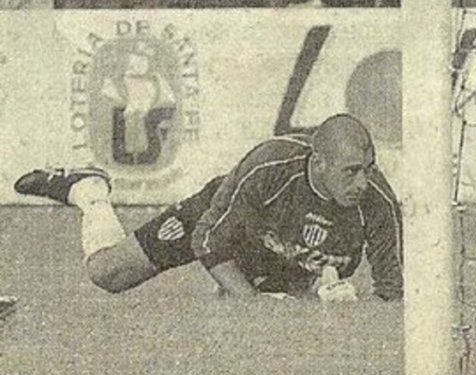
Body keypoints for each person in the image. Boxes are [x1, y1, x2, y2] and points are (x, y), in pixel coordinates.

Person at [13, 114, 403, 301]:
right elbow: (210, 238)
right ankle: (88, 189)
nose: (362, 184)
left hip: (282, 258)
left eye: (368, 170)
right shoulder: (269, 167)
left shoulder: (379, 205)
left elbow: (391, 297)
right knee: (107, 273)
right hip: (225, 220)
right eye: (351, 172)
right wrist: (251, 304)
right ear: (318, 162)